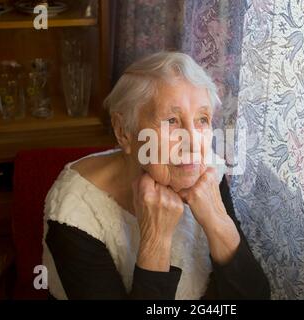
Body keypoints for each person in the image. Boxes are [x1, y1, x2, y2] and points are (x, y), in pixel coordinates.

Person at [42, 52, 270, 300]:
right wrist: (156, 241)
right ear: (124, 132)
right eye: (172, 120)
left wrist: (217, 221)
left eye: (202, 120)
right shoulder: (76, 211)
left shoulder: (207, 172)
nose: (193, 142)